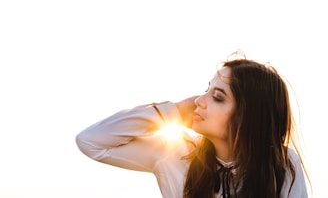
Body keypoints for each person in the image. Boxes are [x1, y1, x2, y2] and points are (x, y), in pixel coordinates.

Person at [76, 51, 309, 198]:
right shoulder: (175, 155)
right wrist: (172, 111)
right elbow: (91, 141)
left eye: (217, 97)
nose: (199, 101)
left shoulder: (282, 164)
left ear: (246, 117)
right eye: (206, 89)